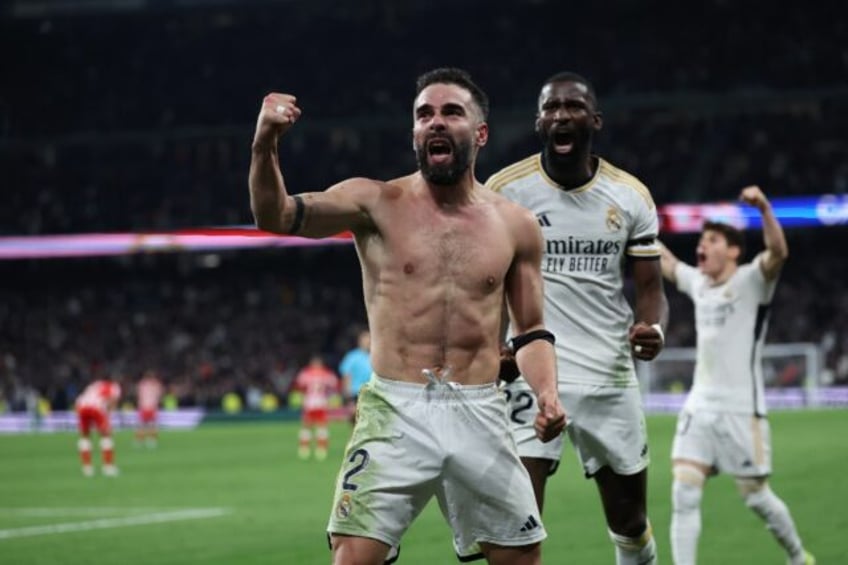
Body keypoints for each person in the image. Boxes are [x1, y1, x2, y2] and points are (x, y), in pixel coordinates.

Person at [249, 67, 565, 565]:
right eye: (424, 115)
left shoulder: (516, 225)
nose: (435, 122)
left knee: (521, 558)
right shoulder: (373, 202)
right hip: (395, 409)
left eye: (451, 112)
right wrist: (265, 145)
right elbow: (276, 215)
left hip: (480, 409)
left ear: (480, 133)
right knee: (353, 558)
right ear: (414, 133)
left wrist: (546, 394)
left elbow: (530, 330)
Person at [486, 71, 667, 565]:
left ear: (596, 120)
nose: (561, 115)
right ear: (538, 122)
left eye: (573, 106)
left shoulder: (630, 195)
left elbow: (651, 287)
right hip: (528, 372)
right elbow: (480, 280)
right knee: (517, 523)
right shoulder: (504, 190)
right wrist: (491, 348)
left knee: (629, 523)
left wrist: (653, 328)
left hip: (608, 374)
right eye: (551, 108)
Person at [659, 185, 815, 565]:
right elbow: (663, 260)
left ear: (732, 250)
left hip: (741, 410)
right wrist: (636, 220)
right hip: (700, 406)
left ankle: (797, 556)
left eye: (711, 240)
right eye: (701, 240)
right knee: (684, 493)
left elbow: (778, 252)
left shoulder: (752, 281)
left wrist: (763, 208)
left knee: (757, 497)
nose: (702, 246)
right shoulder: (698, 282)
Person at [291, 354, 340, 460]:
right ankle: (320, 450)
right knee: (320, 427)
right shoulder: (327, 374)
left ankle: (305, 449)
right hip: (320, 403)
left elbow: (298, 386)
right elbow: (335, 386)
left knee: (308, 426)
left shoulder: (305, 373)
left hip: (310, 403)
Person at [75, 375, 122, 477]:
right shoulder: (114, 387)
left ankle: (87, 468)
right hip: (96, 407)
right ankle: (108, 467)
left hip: (81, 406)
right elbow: (112, 402)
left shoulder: (95, 384)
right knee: (106, 436)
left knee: (85, 437)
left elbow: (84, 395)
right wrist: (108, 420)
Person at [338, 329, 372, 424]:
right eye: (365, 339)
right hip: (356, 392)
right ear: (360, 341)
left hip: (372, 392)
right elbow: (346, 375)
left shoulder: (376, 356)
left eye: (369, 338)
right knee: (356, 421)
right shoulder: (352, 356)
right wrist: (347, 394)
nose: (368, 341)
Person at [135, 369, 164, 448]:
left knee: (141, 424)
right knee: (153, 424)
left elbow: (139, 395)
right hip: (152, 406)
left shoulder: (142, 384)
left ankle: (139, 441)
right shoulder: (157, 384)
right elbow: (159, 395)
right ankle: (152, 441)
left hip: (143, 406)